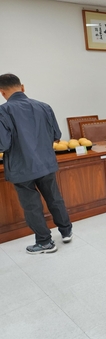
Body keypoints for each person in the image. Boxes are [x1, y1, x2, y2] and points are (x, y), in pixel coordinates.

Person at [0, 73, 73, 254]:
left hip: (21, 167)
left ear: (2, 92)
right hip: (46, 163)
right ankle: (66, 231)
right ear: (22, 87)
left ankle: (44, 242)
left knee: (32, 205)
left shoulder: (3, 111)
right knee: (54, 197)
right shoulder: (44, 107)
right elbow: (56, 135)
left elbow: (3, 144)